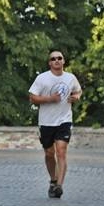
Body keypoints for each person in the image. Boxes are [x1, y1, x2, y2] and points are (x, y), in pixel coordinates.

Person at [28, 49, 82, 198]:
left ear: (64, 61)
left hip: (64, 120)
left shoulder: (70, 78)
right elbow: (32, 98)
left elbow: (78, 91)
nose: (56, 60)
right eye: (53, 59)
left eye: (59, 58)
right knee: (49, 153)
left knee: (61, 152)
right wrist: (50, 99)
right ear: (49, 63)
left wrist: (76, 97)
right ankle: (53, 180)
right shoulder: (42, 78)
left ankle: (59, 186)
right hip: (46, 122)